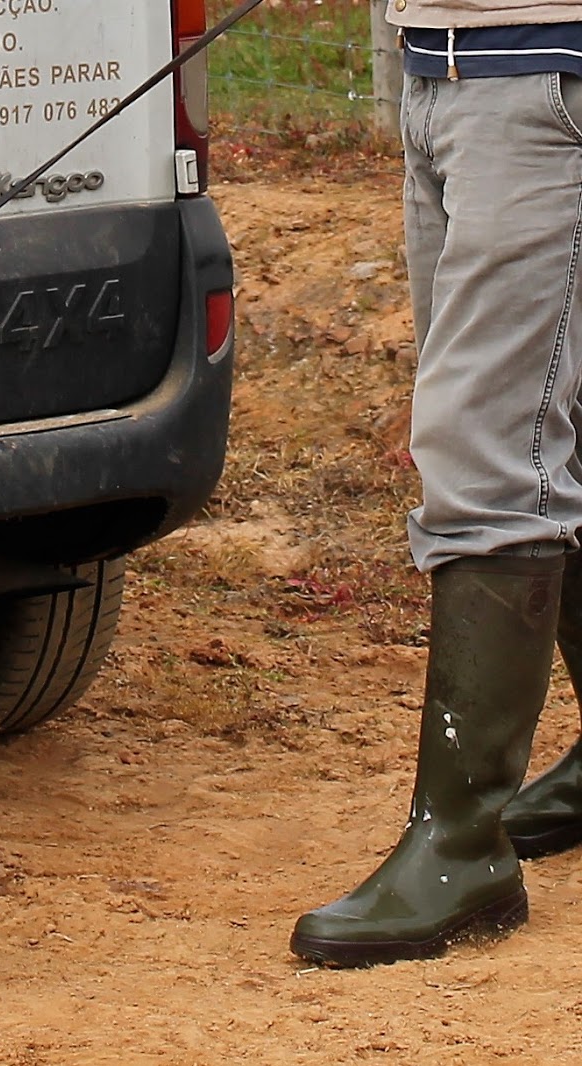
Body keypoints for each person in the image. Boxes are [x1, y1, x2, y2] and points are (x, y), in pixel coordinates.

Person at [290, 1, 582, 967]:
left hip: (542, 73)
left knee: (484, 444)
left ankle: (462, 847)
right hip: (445, 68)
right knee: (551, 423)